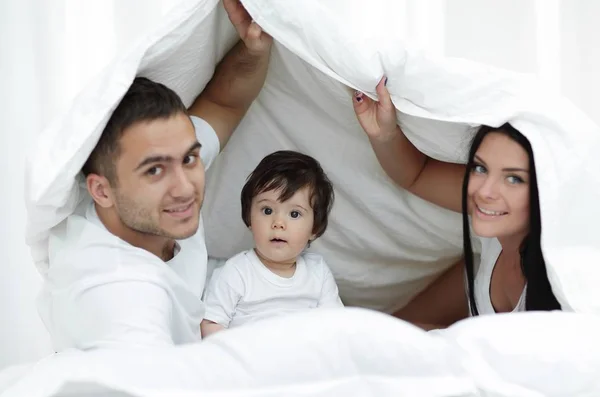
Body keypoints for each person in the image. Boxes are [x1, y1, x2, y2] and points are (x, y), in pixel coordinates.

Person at [38, 0, 273, 351]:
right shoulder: (113, 293)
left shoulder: (154, 175)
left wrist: (255, 48)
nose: (185, 188)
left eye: (190, 158)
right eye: (155, 170)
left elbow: (224, 103)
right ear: (101, 191)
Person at [352, 77, 561, 329]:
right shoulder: (497, 222)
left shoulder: (561, 288)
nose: (485, 191)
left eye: (514, 178)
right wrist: (384, 133)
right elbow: (417, 174)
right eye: (481, 168)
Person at [200, 151, 343, 337]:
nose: (278, 223)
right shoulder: (236, 272)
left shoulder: (318, 272)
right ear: (249, 218)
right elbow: (212, 324)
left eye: (294, 214)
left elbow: (335, 326)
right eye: (267, 210)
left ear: (314, 228)